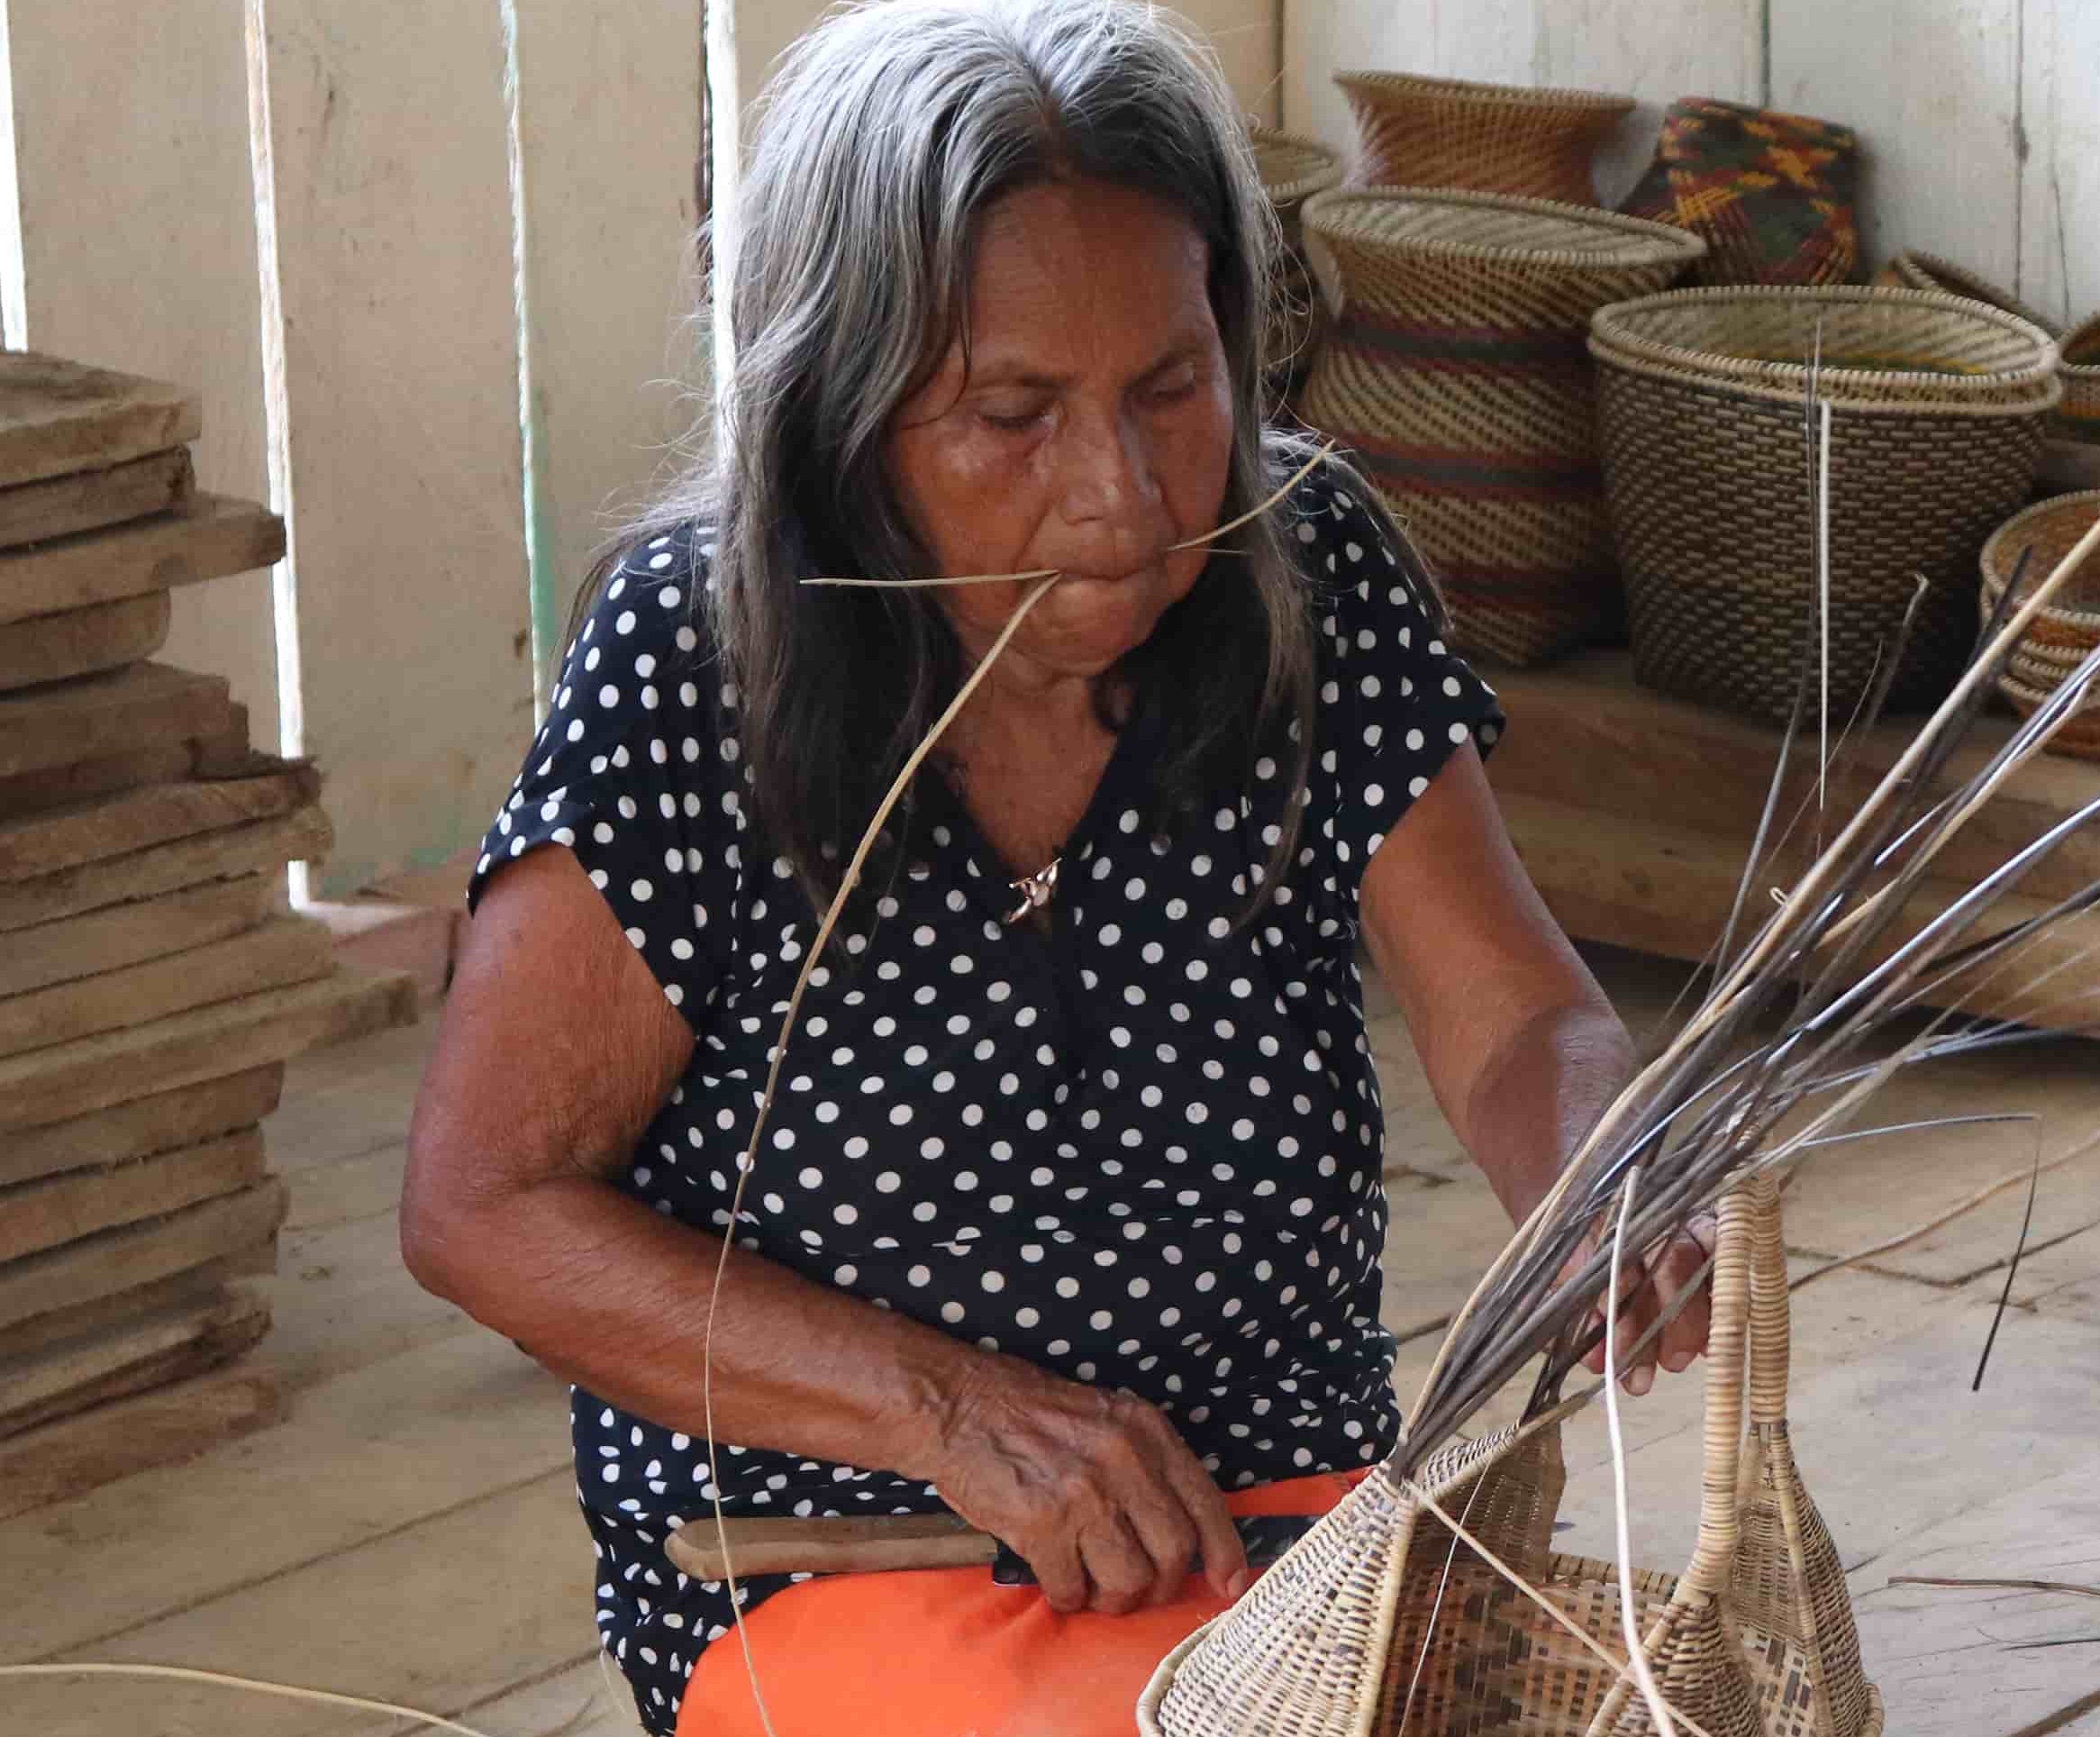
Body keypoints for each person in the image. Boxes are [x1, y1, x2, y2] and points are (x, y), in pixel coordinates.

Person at [397, 5, 1701, 1732]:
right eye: (1013, 413)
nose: (1127, 492)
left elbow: (1515, 1013)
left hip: (1278, 1545)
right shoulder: (700, 658)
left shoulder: (1298, 572)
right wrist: (955, 1415)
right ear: (841, 415)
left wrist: (1601, 1164)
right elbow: (484, 1209)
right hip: (847, 1550)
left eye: (1173, 385)